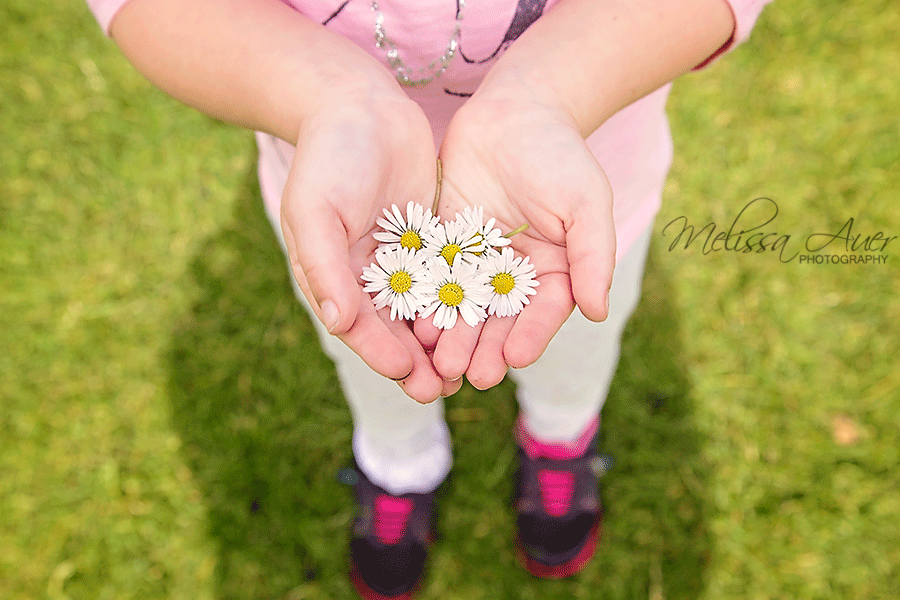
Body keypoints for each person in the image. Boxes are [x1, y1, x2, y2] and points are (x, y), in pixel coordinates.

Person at [86, 0, 773, 595]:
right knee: (371, 356)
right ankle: (399, 462)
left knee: (578, 347)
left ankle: (561, 436)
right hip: (348, 210)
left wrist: (551, 91)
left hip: (577, 196)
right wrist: (326, 97)